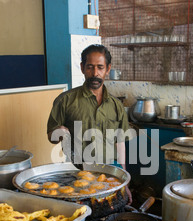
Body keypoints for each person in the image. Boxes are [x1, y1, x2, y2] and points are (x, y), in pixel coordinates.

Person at [47, 44, 132, 204]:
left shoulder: (116, 105)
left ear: (108, 69)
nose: (95, 73)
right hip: (77, 176)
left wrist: (124, 182)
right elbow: (51, 137)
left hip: (109, 175)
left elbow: (120, 144)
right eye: (90, 67)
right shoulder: (65, 101)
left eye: (100, 67)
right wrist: (59, 131)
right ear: (82, 68)